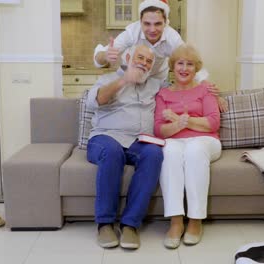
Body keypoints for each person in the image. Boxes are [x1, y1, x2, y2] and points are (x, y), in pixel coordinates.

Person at [86, 44, 164, 250]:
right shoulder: (107, 79)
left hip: (139, 141)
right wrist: (124, 80)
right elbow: (97, 100)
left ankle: (130, 224)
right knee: (112, 153)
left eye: (149, 61)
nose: (144, 63)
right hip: (105, 137)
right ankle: (104, 223)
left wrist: (211, 92)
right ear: (128, 57)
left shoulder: (156, 85)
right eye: (140, 58)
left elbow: (184, 90)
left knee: (155, 153)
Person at [94, 0, 229, 112]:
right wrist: (105, 55)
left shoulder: (172, 37)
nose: (152, 30)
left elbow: (189, 63)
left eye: (158, 24)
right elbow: (99, 58)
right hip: (129, 75)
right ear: (140, 21)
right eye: (147, 24)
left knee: (156, 111)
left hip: (156, 81)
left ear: (165, 22)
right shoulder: (131, 32)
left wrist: (211, 93)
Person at [154, 44, 222, 249]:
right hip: (174, 140)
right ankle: (175, 222)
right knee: (169, 151)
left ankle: (195, 221)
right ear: (173, 67)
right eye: (180, 63)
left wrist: (179, 120)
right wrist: (179, 124)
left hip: (205, 141)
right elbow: (159, 130)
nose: (184, 68)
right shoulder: (163, 94)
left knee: (194, 151)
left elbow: (212, 123)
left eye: (189, 64)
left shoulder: (206, 90)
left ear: (196, 68)